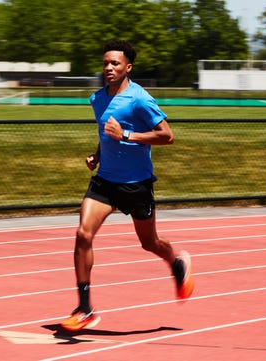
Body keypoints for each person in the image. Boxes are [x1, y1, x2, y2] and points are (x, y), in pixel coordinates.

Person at [61, 40, 194, 332]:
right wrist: (98, 153)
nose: (108, 68)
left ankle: (176, 262)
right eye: (106, 63)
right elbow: (107, 132)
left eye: (115, 64)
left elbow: (166, 136)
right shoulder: (97, 98)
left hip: (136, 185)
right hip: (105, 181)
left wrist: (126, 135)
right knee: (83, 234)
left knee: (150, 243)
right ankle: (84, 308)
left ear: (128, 67)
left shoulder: (140, 99)